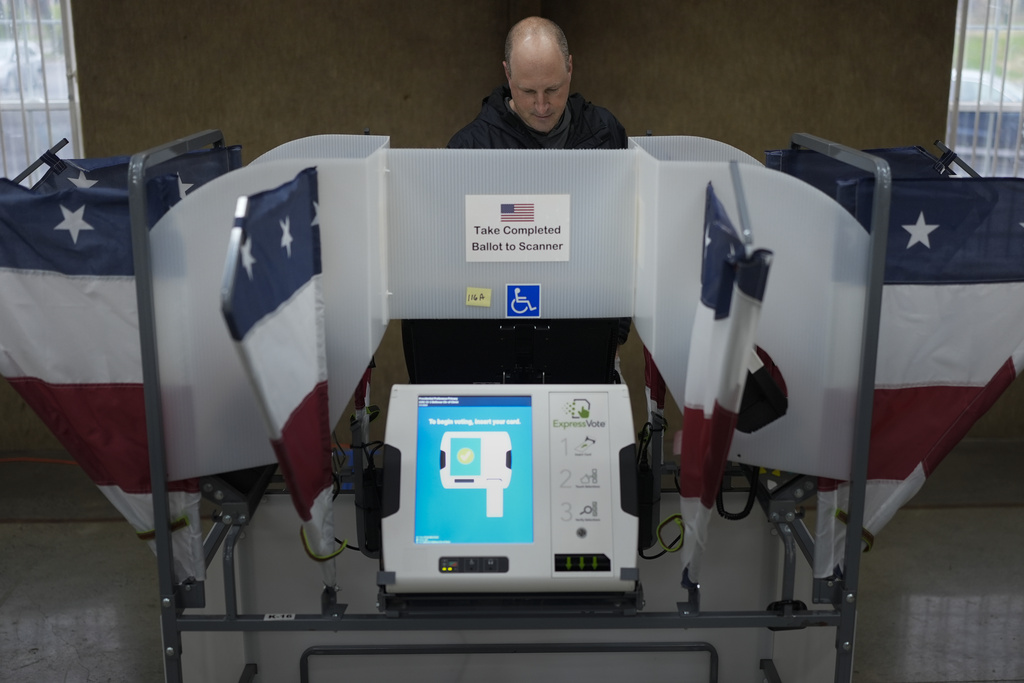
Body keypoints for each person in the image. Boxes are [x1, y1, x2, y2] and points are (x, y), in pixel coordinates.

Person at [447, 16, 627, 151]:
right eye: (528, 91)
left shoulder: (605, 130)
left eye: (553, 89)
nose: (542, 107)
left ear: (569, 68)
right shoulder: (470, 148)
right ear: (508, 74)